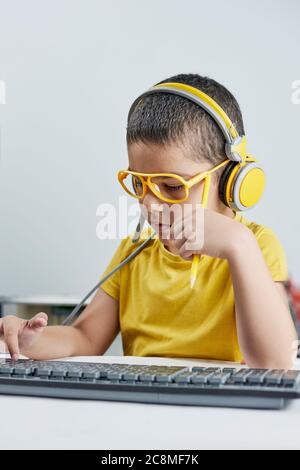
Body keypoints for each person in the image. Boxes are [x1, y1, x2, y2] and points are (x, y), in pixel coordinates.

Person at [0, 73, 297, 369]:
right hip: (142, 410)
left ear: (232, 182)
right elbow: (85, 336)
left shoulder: (255, 246)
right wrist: (29, 341)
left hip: (221, 410)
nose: (149, 205)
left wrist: (239, 246)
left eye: (171, 186)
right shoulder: (135, 251)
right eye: (140, 185)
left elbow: (274, 363)